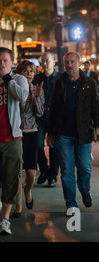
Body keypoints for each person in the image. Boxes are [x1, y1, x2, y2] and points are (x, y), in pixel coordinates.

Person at [47, 52, 99, 215]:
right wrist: (51, 132)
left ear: (78, 63)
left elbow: (96, 106)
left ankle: (85, 191)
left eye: (72, 62)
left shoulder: (89, 83)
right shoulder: (59, 83)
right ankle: (71, 203)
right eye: (66, 62)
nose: (69, 65)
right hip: (64, 134)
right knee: (67, 170)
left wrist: (98, 125)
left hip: (84, 133)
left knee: (85, 168)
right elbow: (54, 108)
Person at [0, 47, 29, 235]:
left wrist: (6, 79)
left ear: (12, 63)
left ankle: (5, 219)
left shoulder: (19, 79)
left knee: (11, 179)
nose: (1, 64)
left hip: (12, 138)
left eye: (5, 60)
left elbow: (22, 96)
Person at [14, 60, 44, 217]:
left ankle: (28, 190)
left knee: (31, 173)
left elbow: (40, 113)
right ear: (20, 73)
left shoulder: (36, 89)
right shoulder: (15, 89)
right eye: (26, 71)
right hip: (17, 133)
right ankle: (18, 205)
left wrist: (37, 97)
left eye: (32, 71)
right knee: (18, 172)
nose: (29, 74)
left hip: (32, 131)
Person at [33, 52, 61, 187]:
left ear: (54, 62)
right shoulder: (37, 78)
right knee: (38, 145)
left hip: (55, 116)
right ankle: (44, 170)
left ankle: (52, 176)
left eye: (48, 60)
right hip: (39, 116)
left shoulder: (60, 78)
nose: (45, 63)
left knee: (54, 148)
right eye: (43, 61)